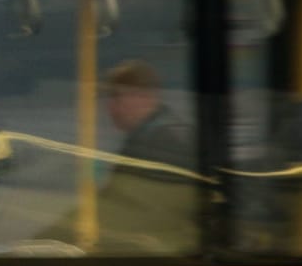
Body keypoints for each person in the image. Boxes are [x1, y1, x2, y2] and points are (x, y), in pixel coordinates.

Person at [49, 60, 200, 254]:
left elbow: (135, 209)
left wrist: (60, 233)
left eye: (117, 97)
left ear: (146, 97)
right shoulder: (152, 137)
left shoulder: (163, 143)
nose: (111, 108)